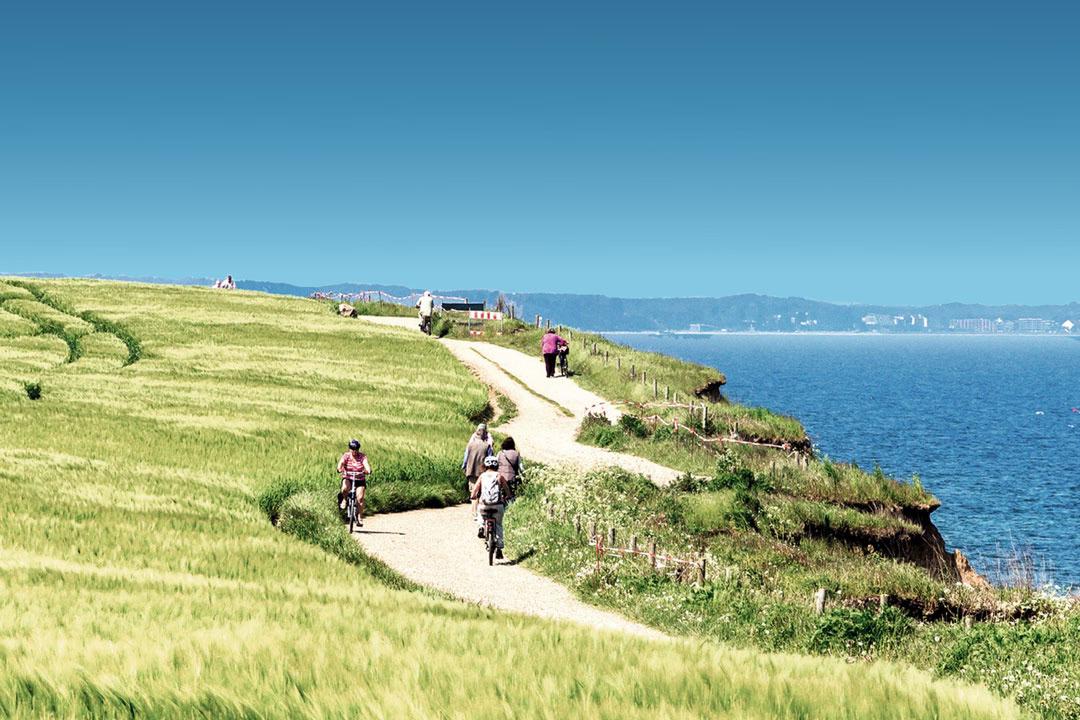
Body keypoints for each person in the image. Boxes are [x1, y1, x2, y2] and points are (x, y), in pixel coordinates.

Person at [471, 455, 510, 558]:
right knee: (498, 525)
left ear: (485, 465)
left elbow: (475, 490)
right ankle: (499, 548)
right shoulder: (499, 476)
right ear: (496, 465)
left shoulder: (482, 476)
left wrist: (473, 496)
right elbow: (507, 490)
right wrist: (508, 496)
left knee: (480, 514)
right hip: (497, 505)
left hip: (484, 505)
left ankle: (481, 527)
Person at [337, 439, 372, 525]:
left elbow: (366, 465)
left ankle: (360, 517)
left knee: (360, 498)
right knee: (345, 489)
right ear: (349, 449)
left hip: (360, 479)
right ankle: (344, 500)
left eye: (356, 449)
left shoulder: (362, 457)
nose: (354, 451)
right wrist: (340, 468)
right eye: (352, 449)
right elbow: (340, 463)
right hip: (348, 477)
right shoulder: (346, 456)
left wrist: (368, 470)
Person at [497, 436, 524, 501]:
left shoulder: (500, 453)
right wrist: (524, 476)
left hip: (501, 478)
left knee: (500, 496)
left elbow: (495, 464)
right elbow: (521, 467)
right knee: (512, 496)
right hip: (512, 478)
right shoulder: (516, 454)